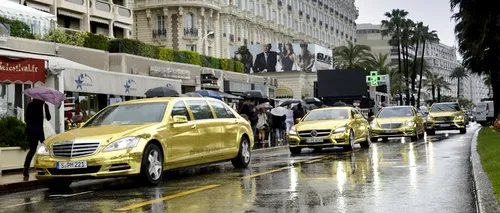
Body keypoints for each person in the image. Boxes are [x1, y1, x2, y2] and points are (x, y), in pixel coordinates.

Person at [23, 98, 51, 178]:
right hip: (41, 131)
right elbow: (48, 118)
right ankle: (45, 167)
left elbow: (26, 119)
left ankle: (26, 167)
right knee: (46, 149)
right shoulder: (44, 105)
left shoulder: (29, 105)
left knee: (32, 149)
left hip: (31, 131)